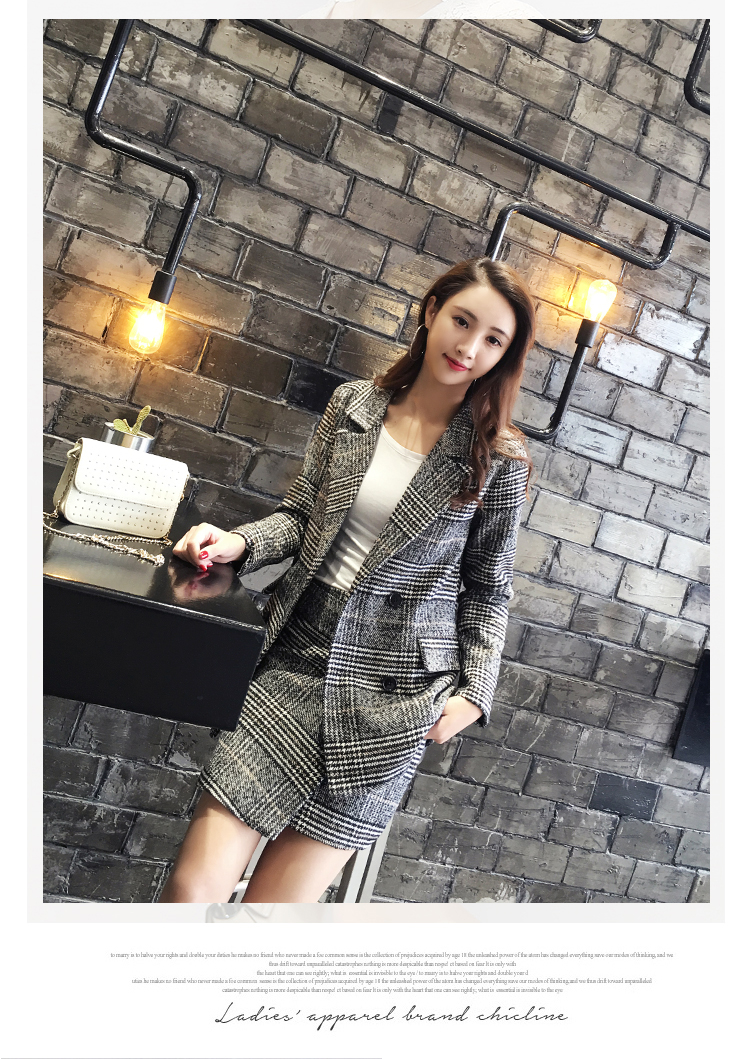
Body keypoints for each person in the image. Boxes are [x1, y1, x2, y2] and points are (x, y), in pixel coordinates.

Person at [158, 257, 535, 903]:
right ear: (432, 311)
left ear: (505, 355)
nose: (469, 347)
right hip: (296, 657)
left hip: (393, 696)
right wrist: (240, 543)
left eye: (493, 339)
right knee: (193, 892)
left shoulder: (499, 458)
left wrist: (475, 693)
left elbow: (487, 588)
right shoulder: (353, 406)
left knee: (272, 918)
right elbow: (302, 514)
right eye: (462, 321)